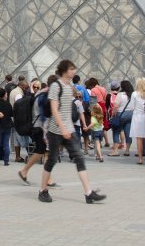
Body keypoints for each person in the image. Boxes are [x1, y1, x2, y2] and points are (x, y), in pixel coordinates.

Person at [38, 60, 105, 204]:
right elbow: (54, 109)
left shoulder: (70, 86)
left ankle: (88, 193)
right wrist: (62, 128)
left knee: (79, 157)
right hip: (55, 130)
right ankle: (42, 190)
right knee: (52, 160)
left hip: (69, 129)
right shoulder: (56, 86)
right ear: (64, 71)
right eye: (71, 68)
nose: (74, 71)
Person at [18, 75, 57, 186]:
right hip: (40, 128)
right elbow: (45, 115)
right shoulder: (45, 96)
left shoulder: (40, 93)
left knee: (43, 152)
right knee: (43, 151)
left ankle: (46, 178)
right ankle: (25, 171)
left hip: (37, 127)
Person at [129, 78, 145, 165]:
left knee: (139, 138)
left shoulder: (134, 94)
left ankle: (140, 159)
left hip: (137, 117)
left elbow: (131, 107)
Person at [110, 80, 133, 157]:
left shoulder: (120, 94)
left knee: (116, 131)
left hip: (120, 114)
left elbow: (115, 106)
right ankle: (127, 151)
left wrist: (113, 115)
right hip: (130, 114)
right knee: (128, 132)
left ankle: (115, 151)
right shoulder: (133, 95)